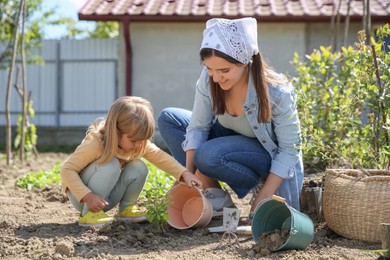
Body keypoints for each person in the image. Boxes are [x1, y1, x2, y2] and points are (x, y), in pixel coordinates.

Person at [157, 17, 303, 219]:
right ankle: (216, 198)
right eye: (210, 69)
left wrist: (264, 197)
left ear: (245, 61)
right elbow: (198, 127)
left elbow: (290, 149)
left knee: (208, 154)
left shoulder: (277, 92)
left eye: (224, 70)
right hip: (227, 143)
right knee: (169, 118)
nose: (216, 78)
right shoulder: (210, 79)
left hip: (266, 157)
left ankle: (258, 186)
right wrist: (186, 176)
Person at [61, 96, 202, 227]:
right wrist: (87, 196)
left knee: (139, 166)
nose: (139, 144)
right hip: (83, 198)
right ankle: (89, 215)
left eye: (143, 140)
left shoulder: (139, 144)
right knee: (110, 165)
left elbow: (160, 157)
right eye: (134, 140)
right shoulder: (96, 143)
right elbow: (67, 169)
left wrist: (184, 173)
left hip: (105, 200)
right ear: (116, 131)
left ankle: (126, 209)